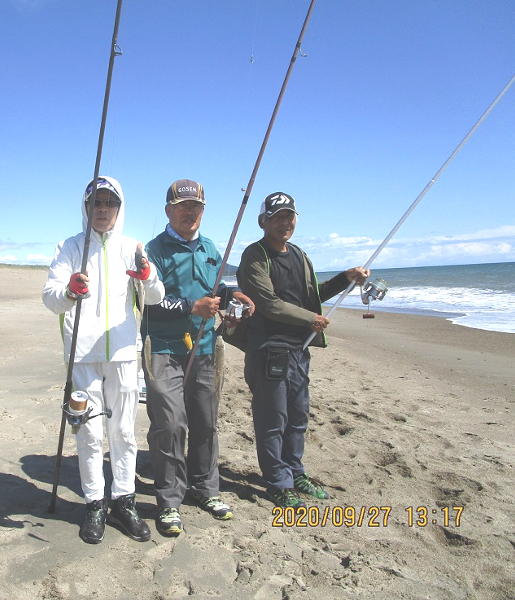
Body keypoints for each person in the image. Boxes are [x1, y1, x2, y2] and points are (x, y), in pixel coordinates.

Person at [42, 176, 165, 544]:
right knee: (90, 432)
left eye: (109, 203)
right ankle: (94, 502)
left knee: (124, 431)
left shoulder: (133, 247)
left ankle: (124, 499)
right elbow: (50, 298)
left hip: (124, 355)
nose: (102, 209)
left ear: (119, 208)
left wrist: (146, 275)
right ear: (86, 207)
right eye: (96, 202)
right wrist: (69, 291)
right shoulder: (69, 247)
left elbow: (156, 295)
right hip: (81, 356)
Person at [236, 192, 369, 510]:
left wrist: (344, 278)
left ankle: (295, 473)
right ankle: (277, 482)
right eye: (277, 216)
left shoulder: (299, 254)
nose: (284, 221)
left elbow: (313, 295)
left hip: (299, 348)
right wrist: (312, 319)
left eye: (289, 216)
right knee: (273, 418)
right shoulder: (255, 256)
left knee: (297, 417)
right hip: (268, 349)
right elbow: (268, 304)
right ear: (262, 221)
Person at [141, 179, 253, 536]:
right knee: (170, 424)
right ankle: (169, 501)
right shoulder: (151, 251)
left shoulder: (209, 247)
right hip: (163, 348)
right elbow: (149, 302)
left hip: (205, 348)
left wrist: (236, 297)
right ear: (168, 211)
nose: (190, 213)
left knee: (206, 421)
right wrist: (193, 306)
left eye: (196, 207)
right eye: (182, 207)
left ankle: (206, 490)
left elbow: (217, 287)